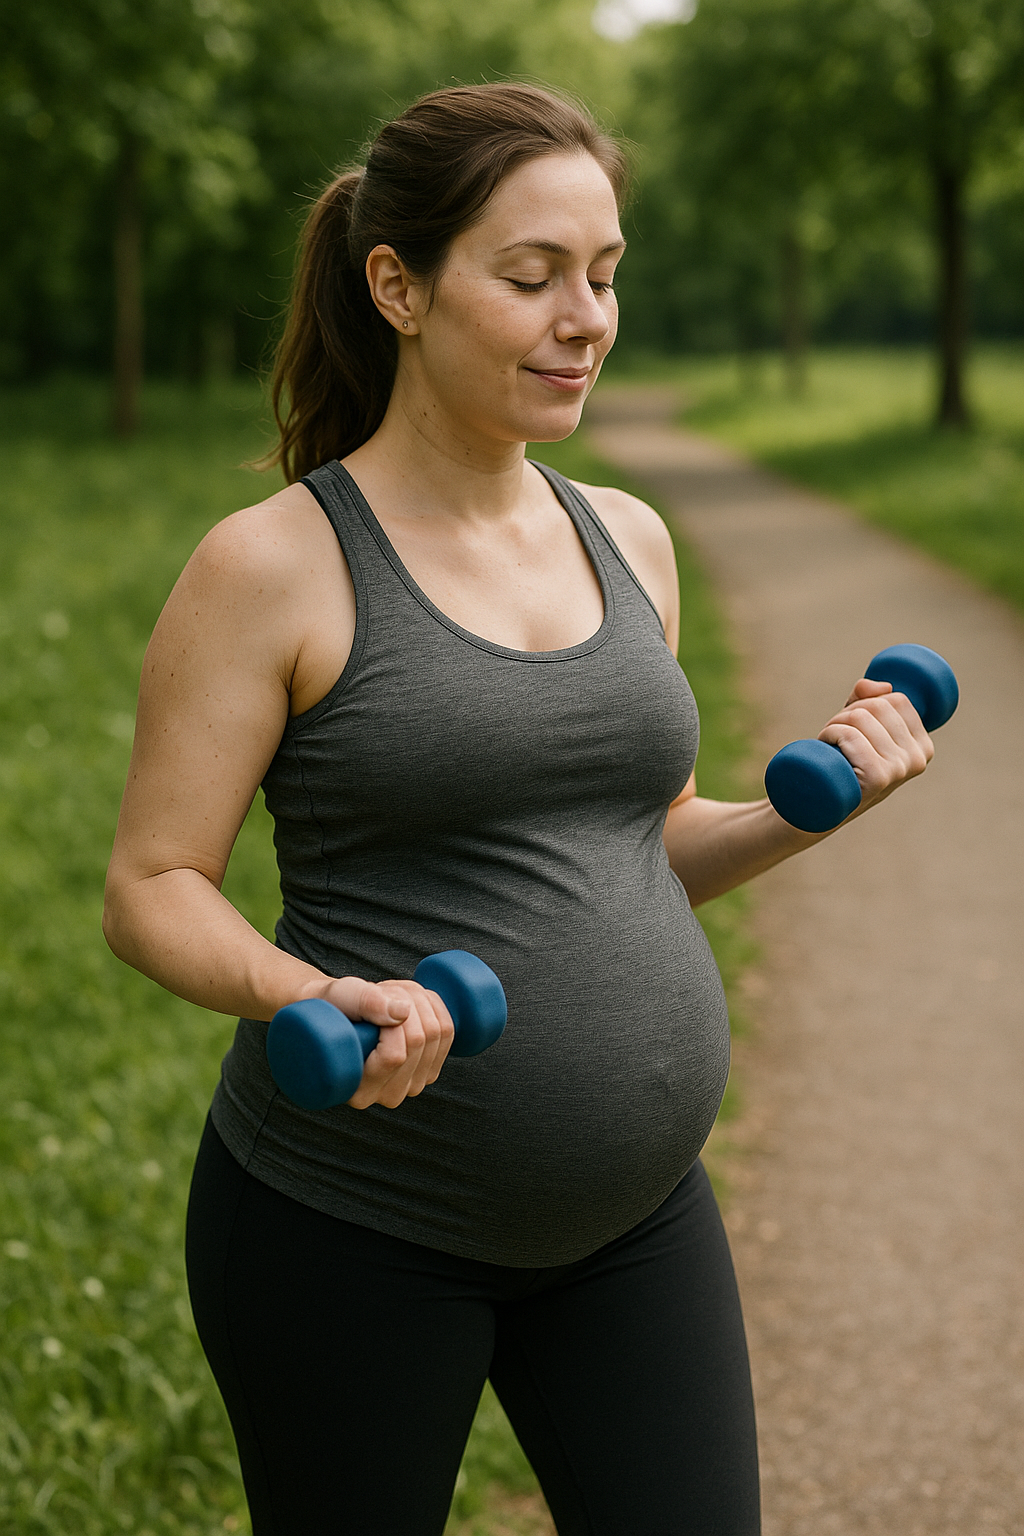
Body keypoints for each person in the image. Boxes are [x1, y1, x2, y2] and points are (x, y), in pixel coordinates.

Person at [103, 83, 934, 1536]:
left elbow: (641, 844)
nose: (586, 318)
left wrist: (816, 807)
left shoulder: (628, 537)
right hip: (355, 1236)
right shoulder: (273, 566)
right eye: (534, 276)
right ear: (398, 287)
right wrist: (317, 994)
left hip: (637, 1223)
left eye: (604, 277)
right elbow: (154, 882)